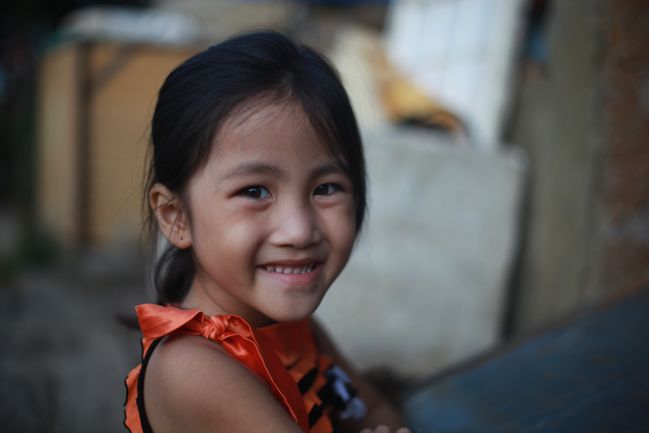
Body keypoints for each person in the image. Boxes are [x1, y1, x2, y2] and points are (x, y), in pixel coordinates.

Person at [123, 30, 411, 433]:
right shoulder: (192, 368)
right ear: (176, 217)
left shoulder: (298, 334)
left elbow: (376, 412)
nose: (298, 231)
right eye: (254, 191)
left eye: (325, 188)